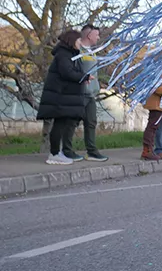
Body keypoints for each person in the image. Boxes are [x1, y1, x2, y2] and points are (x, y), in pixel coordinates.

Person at [37, 29, 89, 165]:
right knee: (59, 125)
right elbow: (67, 72)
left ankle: (56, 152)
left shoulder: (67, 54)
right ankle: (54, 154)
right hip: (60, 96)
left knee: (61, 124)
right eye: (78, 41)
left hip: (63, 96)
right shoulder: (63, 54)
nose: (80, 43)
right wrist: (84, 77)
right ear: (72, 41)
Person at [77, 24, 108, 162]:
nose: (98, 37)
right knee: (71, 122)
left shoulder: (92, 52)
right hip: (80, 94)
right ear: (89, 35)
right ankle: (64, 151)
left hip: (91, 95)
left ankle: (92, 151)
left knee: (91, 122)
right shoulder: (78, 51)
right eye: (96, 35)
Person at [142, 78, 162, 160]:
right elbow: (155, 87)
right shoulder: (158, 71)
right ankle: (147, 150)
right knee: (152, 127)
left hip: (159, 104)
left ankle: (149, 149)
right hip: (156, 104)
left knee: (153, 127)